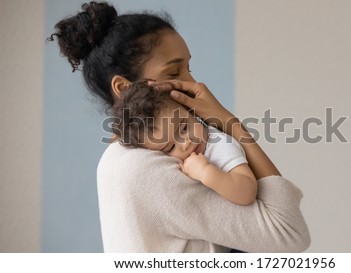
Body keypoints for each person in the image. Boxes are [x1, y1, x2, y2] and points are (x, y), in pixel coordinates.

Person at [49, 1, 311, 252]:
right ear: (124, 88)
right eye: (174, 73)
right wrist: (229, 123)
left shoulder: (128, 157)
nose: (196, 84)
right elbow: (289, 232)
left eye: (189, 68)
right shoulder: (148, 169)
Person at [112, 80, 257, 206]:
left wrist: (206, 172)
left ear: (192, 111)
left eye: (184, 127)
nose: (185, 143)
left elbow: (247, 191)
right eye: (171, 147)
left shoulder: (220, 145)